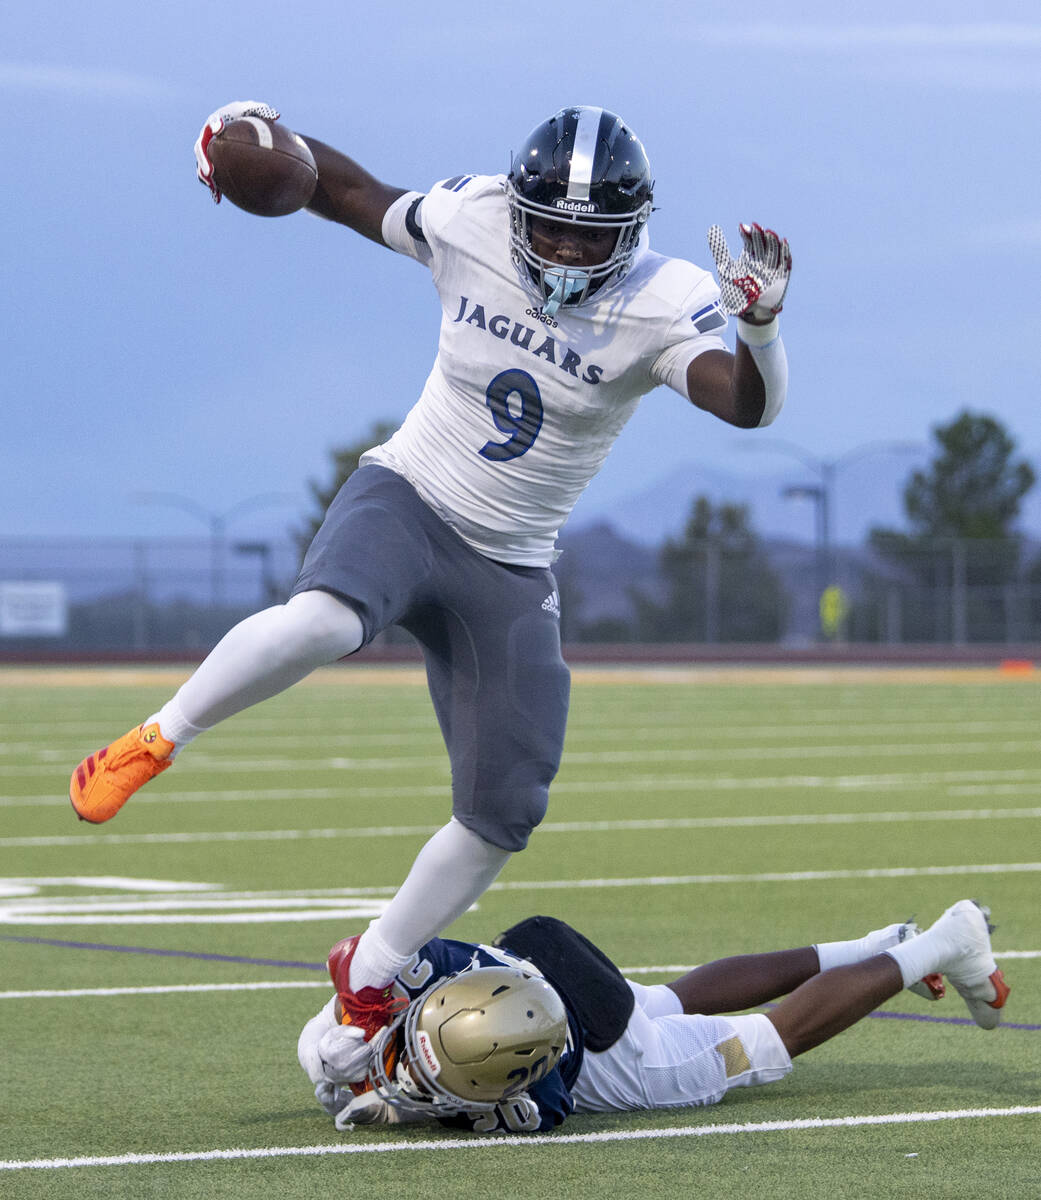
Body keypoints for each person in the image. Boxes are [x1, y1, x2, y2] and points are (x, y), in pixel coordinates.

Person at [69, 103, 792, 1038]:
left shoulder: (663, 296)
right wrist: (248, 138)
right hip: (409, 496)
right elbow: (344, 190)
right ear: (518, 207)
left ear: (632, 230)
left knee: (505, 810)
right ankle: (156, 738)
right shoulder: (472, 217)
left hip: (512, 559)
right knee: (327, 621)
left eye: (591, 235)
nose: (568, 252)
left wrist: (762, 329)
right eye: (552, 227)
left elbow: (742, 409)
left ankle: (369, 971)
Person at [297, 900, 1010, 1135]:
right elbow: (358, 957)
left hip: (605, 1052)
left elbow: (517, 1114)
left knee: (765, 1041)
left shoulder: (526, 1096)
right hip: (549, 962)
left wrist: (398, 1108)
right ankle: (871, 948)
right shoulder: (428, 969)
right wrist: (352, 1035)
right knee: (665, 999)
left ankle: (942, 942)